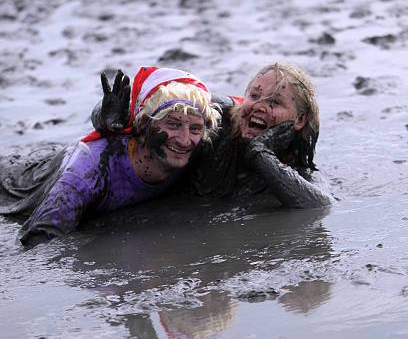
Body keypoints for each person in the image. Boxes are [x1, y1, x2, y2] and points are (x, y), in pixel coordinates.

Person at [0, 67, 221, 247]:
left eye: (195, 129)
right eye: (172, 124)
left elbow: (243, 108)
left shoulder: (199, 145)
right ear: (143, 124)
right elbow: (37, 241)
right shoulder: (89, 171)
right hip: (14, 187)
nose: (184, 140)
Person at [91, 62, 334, 208]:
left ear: (300, 120)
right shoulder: (215, 114)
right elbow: (136, 106)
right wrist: (109, 118)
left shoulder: (299, 167)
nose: (259, 106)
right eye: (255, 96)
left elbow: (318, 206)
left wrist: (260, 155)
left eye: (275, 102)